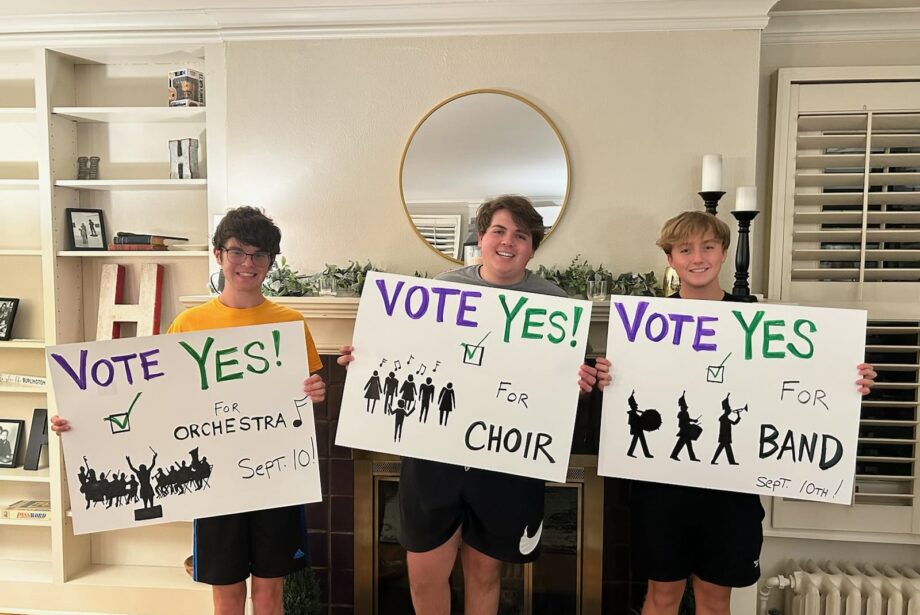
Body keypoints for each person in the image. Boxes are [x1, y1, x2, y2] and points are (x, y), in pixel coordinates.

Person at [338, 195, 612, 615]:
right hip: (435, 457)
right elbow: (402, 355)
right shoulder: (442, 290)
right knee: (424, 575)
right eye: (498, 231)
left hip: (505, 457)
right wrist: (364, 360)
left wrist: (583, 381)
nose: (508, 242)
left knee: (486, 575)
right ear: (480, 237)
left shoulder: (558, 304)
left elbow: (571, 382)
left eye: (521, 235)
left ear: (533, 247)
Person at [51, 206, 326, 615]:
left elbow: (303, 398)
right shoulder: (188, 325)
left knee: (270, 596)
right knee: (226, 595)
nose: (247, 264)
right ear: (218, 255)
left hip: (275, 479)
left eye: (259, 254)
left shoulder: (290, 323)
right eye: (237, 252)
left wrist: (315, 391)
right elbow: (154, 402)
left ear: (270, 262)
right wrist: (84, 421)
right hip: (215, 487)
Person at [627, 210, 876, 615]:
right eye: (685, 249)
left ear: (724, 252)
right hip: (663, 487)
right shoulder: (643, 326)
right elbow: (629, 388)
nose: (698, 257)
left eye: (708, 246)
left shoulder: (758, 321)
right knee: (662, 596)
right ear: (669, 259)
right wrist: (607, 375)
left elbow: (798, 381)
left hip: (732, 490)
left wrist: (848, 380)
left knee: (715, 599)